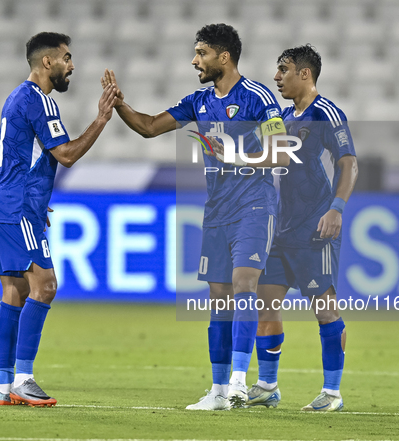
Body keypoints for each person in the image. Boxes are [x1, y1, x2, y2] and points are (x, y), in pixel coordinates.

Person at [101, 23, 289, 410]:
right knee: (218, 296)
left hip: (254, 205)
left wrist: (233, 155)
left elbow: (281, 154)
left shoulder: (258, 97)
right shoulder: (197, 102)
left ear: (224, 57)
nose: (194, 60)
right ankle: (219, 391)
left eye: (201, 53)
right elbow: (150, 127)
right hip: (217, 212)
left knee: (243, 284)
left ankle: (240, 382)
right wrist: (120, 104)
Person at [0, 32, 117, 407]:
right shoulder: (39, 101)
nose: (71, 65)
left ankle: (2, 386)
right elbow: (68, 155)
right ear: (47, 62)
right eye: (67, 58)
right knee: (45, 286)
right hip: (18, 208)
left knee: (16, 292)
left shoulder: (15, 97)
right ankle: (23, 379)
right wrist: (102, 118)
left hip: (2, 204)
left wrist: (36, 191)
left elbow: (1, 150)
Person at [251, 44, 358, 411]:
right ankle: (267, 386)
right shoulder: (281, 116)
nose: (276, 77)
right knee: (265, 306)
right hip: (279, 230)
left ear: (304, 74)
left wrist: (337, 209)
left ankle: (332, 393)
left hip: (315, 230)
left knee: (324, 309)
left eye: (283, 70)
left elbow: (348, 164)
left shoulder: (327, 113)